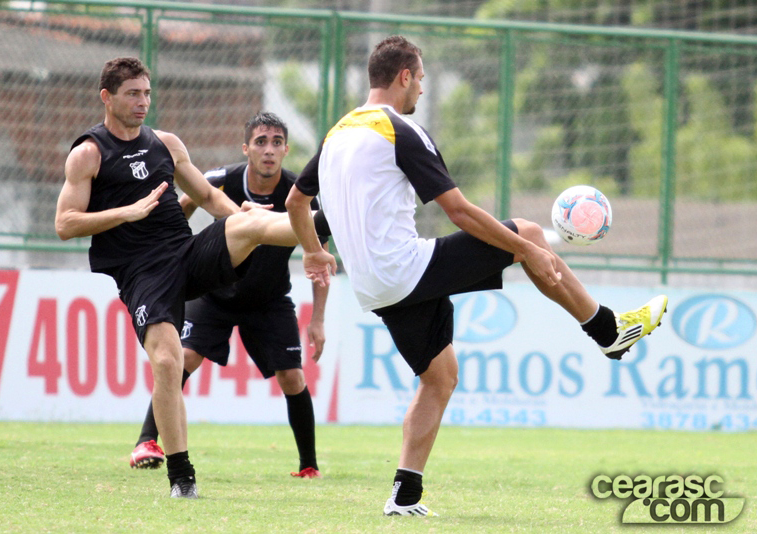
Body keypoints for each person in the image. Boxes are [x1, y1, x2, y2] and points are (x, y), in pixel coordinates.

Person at [285, 35, 668, 517]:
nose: (422, 89)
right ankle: (609, 330)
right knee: (526, 230)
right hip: (406, 268)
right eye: (420, 79)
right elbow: (459, 212)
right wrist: (527, 248)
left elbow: (296, 202)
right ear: (404, 76)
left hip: (373, 287)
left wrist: (315, 251)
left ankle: (404, 497)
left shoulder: (337, 134)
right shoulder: (398, 130)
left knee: (439, 377)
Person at [55, 57, 305, 499]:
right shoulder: (88, 153)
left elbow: (208, 195)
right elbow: (65, 223)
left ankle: (318, 226)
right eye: (133, 93)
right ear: (106, 97)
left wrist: (241, 214)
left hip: (185, 255)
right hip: (141, 273)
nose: (142, 102)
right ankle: (182, 477)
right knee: (169, 363)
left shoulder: (166, 143)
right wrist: (125, 213)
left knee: (246, 223)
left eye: (147, 93)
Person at [129, 112, 328, 479]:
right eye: (261, 141)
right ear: (246, 148)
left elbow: (318, 261)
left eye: (277, 142)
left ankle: (309, 465)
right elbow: (183, 206)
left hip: (268, 300)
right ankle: (147, 441)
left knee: (292, 378)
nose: (269, 150)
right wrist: (174, 259)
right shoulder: (221, 180)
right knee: (179, 359)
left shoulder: (298, 194)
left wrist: (317, 319)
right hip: (215, 294)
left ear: (285, 149)